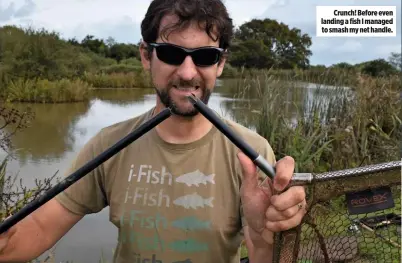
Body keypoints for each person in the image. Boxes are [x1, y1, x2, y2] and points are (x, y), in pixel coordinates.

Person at [0, 0, 307, 262]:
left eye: (205, 57)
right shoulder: (109, 144)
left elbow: (265, 255)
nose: (188, 73)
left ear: (221, 63)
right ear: (146, 56)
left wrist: (263, 238)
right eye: (172, 54)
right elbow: (38, 228)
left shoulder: (251, 153)